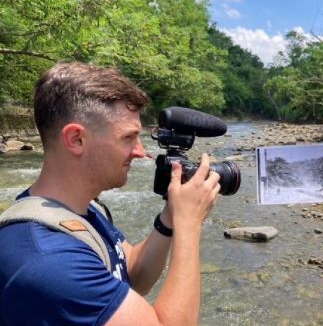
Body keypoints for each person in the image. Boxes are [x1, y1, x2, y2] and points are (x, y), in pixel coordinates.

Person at [0, 62, 221, 325]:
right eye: (128, 138)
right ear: (76, 139)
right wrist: (189, 224)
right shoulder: (49, 258)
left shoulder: (80, 210)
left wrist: (170, 218)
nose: (141, 152)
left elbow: (132, 273)